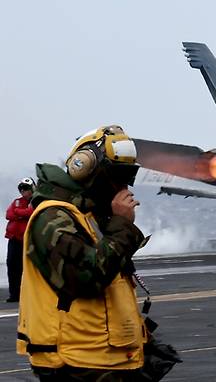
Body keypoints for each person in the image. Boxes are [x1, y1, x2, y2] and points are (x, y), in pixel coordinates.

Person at [17, 125, 148, 381]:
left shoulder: (90, 218)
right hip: (75, 363)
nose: (121, 187)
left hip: (103, 357)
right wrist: (122, 226)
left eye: (125, 179)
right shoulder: (53, 217)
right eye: (114, 178)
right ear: (83, 168)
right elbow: (86, 278)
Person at [4, 178, 35, 302]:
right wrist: (21, 213)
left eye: (26, 188)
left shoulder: (36, 200)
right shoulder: (17, 202)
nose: (23, 191)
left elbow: (31, 212)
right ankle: (14, 294)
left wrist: (18, 213)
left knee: (27, 267)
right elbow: (8, 215)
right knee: (12, 265)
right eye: (21, 189)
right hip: (14, 239)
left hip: (28, 239)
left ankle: (29, 294)